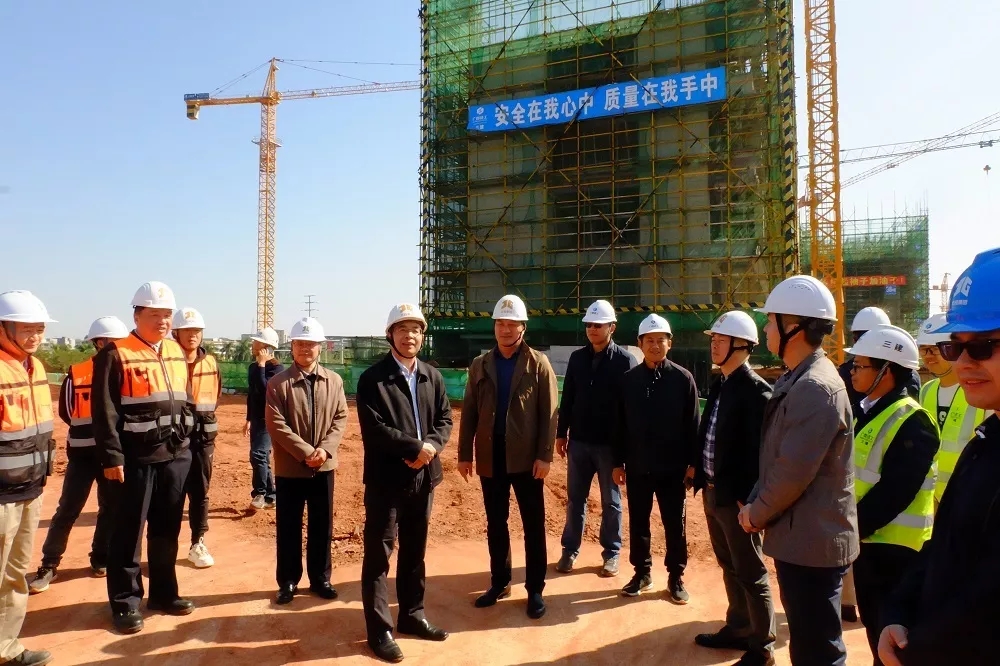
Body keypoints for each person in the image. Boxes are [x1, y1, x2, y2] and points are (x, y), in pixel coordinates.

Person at [878, 247, 1000, 666]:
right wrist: (899, 611)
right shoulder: (986, 441)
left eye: (982, 346)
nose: (963, 362)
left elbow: (987, 602)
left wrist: (922, 648)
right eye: (954, 347)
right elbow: (945, 544)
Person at [738, 275, 858, 666]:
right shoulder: (798, 378)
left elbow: (793, 472)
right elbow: (778, 456)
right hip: (802, 537)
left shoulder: (815, 388)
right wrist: (756, 498)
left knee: (818, 651)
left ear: (793, 326)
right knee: (807, 645)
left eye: (770, 321)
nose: (765, 329)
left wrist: (756, 512)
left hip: (813, 544)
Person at [93, 281, 195, 635]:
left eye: (167, 314)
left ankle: (164, 594)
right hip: (134, 459)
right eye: (155, 314)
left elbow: (186, 399)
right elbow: (104, 411)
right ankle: (125, 601)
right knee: (128, 531)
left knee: (167, 530)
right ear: (136, 315)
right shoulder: (116, 354)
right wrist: (111, 457)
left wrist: (188, 444)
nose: (163, 321)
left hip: (175, 456)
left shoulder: (175, 351)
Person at [357, 304, 453, 663]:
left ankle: (412, 615)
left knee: (414, 552)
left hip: (423, 479)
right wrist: (415, 448)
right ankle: (379, 631)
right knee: (378, 556)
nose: (409, 335)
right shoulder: (373, 379)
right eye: (402, 329)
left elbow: (445, 419)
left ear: (422, 336)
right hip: (387, 481)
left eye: (415, 329)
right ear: (390, 335)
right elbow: (374, 429)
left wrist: (430, 449)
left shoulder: (432, 376)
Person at [458, 295, 558, 620]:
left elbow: (549, 414)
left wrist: (544, 456)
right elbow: (469, 412)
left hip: (527, 459)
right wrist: (464, 454)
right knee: (496, 523)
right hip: (491, 456)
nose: (505, 329)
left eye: (511, 324)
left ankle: (535, 589)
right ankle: (500, 582)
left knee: (533, 524)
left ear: (522, 327)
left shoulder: (538, 364)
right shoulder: (480, 364)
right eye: (500, 323)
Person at [845, 325, 939, 666]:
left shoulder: (914, 421)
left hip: (898, 554)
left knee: (893, 643)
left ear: (886, 371)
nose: (852, 371)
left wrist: (851, 528)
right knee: (875, 634)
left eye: (860, 366)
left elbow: (895, 493)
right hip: (870, 546)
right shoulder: (869, 411)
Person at [691, 311, 776, 666]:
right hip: (715, 493)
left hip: (738, 500)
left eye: (721, 340)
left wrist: (751, 499)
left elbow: (765, 454)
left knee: (751, 572)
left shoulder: (758, 392)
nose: (714, 345)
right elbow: (709, 433)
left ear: (742, 346)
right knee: (729, 565)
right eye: (713, 339)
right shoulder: (721, 383)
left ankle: (763, 646)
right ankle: (739, 627)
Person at [30, 316, 129, 595]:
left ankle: (100, 557)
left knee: (110, 508)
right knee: (68, 510)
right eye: (111, 342)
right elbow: (66, 411)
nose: (117, 347)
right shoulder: (78, 373)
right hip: (83, 455)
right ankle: (49, 564)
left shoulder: (127, 373)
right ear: (98, 343)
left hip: (112, 456)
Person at [613, 314, 700, 604]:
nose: (655, 345)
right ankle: (642, 573)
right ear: (640, 344)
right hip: (638, 467)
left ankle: (676, 576)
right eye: (649, 340)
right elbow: (619, 425)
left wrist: (693, 464)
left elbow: (693, 426)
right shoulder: (628, 381)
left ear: (669, 344)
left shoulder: (683, 379)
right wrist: (617, 462)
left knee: (675, 524)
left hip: (673, 469)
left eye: (660, 340)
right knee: (639, 522)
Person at [266, 317, 347, 606]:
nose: (305, 349)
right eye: (300, 343)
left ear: (320, 347)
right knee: (288, 526)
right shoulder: (278, 383)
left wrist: (324, 451)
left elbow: (341, 417)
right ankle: (288, 581)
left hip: (324, 467)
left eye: (310, 344)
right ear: (291, 347)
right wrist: (305, 452)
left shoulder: (334, 381)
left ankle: (320, 578)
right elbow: (276, 423)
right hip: (291, 468)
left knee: (322, 525)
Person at [555, 299, 636, 578]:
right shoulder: (577, 358)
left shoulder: (625, 361)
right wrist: (561, 433)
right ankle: (569, 550)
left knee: (611, 502)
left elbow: (628, 410)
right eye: (589, 324)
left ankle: (611, 553)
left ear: (612, 327)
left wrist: (623, 453)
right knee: (575, 500)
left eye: (598, 325)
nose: (592, 329)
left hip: (609, 447)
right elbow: (568, 398)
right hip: (578, 443)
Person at [0, 290, 57, 666]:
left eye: (39, 329)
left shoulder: (33, 367)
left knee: (15, 572)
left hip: (30, 488)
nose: (35, 336)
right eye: (26, 329)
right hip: (1, 494)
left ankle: (6, 647)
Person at [915, 313, 988, 504]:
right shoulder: (927, 390)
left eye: (935, 349)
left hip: (970, 494)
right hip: (932, 494)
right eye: (923, 349)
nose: (928, 356)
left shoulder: (978, 390)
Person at [172, 308, 221, 569]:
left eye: (196, 331)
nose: (192, 335)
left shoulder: (211, 363)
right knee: (172, 493)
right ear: (175, 333)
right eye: (187, 330)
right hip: (173, 439)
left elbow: (215, 397)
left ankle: (197, 542)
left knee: (200, 491)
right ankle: (166, 546)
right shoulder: (167, 363)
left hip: (202, 438)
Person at [244, 326, 283, 511]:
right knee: (260, 456)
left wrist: (261, 366)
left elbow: (265, 390)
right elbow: (252, 394)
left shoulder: (277, 369)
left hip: (269, 418)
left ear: (266, 347)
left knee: (258, 454)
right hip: (257, 418)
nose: (253, 344)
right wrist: (248, 418)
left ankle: (259, 493)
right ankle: (271, 495)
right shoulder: (253, 367)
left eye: (257, 342)